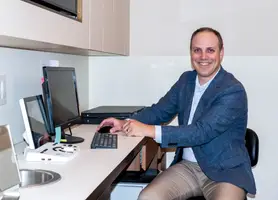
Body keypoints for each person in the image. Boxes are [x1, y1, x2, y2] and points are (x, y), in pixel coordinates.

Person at [98, 27, 256, 200]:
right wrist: (125, 122)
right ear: (191, 53)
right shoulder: (186, 81)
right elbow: (160, 111)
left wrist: (147, 130)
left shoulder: (233, 90)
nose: (203, 56)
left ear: (221, 53)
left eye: (210, 50)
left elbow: (200, 132)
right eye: (197, 50)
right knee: (148, 197)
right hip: (187, 168)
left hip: (225, 172)